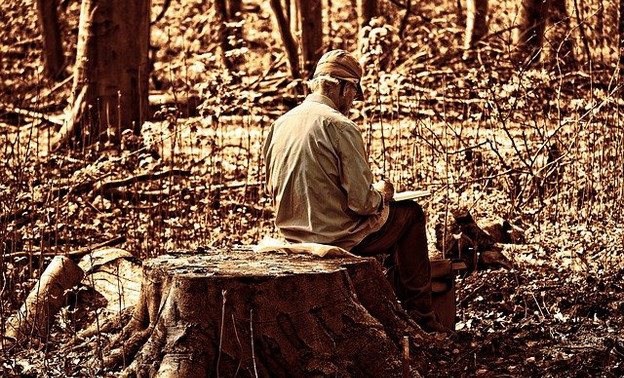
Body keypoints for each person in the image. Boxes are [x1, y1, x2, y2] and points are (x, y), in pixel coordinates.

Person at [262, 49, 448, 334]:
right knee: (410, 214)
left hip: (291, 232)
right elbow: (362, 202)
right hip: (334, 236)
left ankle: (392, 306)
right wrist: (382, 193)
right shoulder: (339, 125)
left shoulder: (281, 123)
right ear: (345, 88)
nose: (352, 102)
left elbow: (271, 187)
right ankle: (422, 317)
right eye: (353, 93)